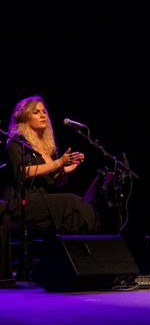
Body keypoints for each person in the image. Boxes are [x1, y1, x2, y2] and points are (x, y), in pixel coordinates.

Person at [2, 96, 98, 240]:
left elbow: (54, 183)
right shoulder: (16, 142)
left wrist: (65, 170)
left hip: (42, 199)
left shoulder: (47, 148)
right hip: (22, 202)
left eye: (44, 111)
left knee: (74, 216)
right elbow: (23, 172)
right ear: (25, 117)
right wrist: (59, 163)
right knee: (70, 202)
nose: (42, 115)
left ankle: (83, 254)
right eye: (36, 112)